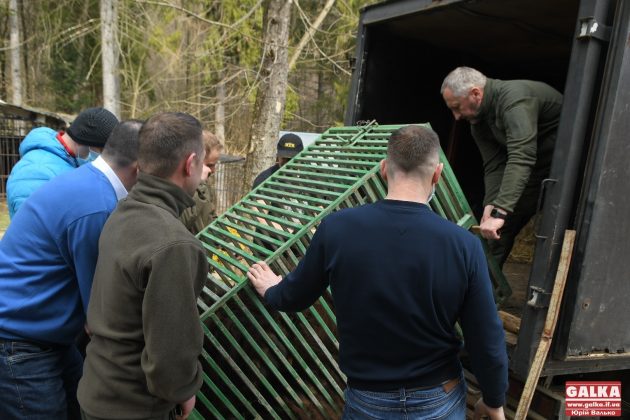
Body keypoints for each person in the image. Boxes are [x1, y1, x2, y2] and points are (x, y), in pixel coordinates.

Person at [247, 125, 508, 420]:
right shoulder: (464, 245)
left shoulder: (337, 228)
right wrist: (494, 399)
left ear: (383, 169)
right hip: (439, 397)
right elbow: (485, 336)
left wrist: (271, 288)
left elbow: (295, 296)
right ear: (437, 174)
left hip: (369, 399)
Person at [0, 120, 142, 419]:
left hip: (48, 335)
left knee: (80, 404)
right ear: (140, 167)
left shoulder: (87, 182)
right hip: (19, 340)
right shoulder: (96, 206)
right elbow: (100, 312)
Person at [78, 112, 208, 420]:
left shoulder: (123, 211)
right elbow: (170, 355)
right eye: (202, 163)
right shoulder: (174, 244)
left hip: (96, 390)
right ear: (190, 164)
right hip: (134, 407)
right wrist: (183, 390)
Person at [441, 66, 563, 267]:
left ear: (476, 94)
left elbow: (521, 156)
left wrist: (502, 211)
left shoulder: (514, 100)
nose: (456, 116)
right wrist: (490, 206)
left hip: (562, 162)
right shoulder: (478, 122)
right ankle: (477, 286)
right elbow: (494, 164)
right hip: (532, 164)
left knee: (503, 225)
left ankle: (481, 290)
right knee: (493, 227)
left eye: (457, 107)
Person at [6, 106, 119, 218]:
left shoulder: (71, 163)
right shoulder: (36, 171)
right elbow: (32, 225)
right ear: (83, 143)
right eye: (101, 151)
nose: (102, 157)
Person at [180, 130, 223, 233]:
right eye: (209, 165)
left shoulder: (204, 186)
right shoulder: (182, 187)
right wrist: (199, 184)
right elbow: (183, 221)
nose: (213, 170)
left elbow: (208, 217)